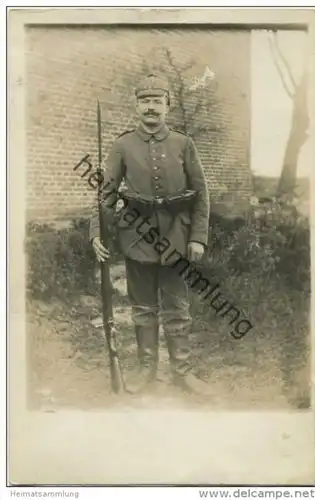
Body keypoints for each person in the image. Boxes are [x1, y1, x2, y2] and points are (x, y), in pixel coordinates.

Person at [90, 73, 212, 396]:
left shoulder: (184, 144)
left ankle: (182, 372)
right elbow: (106, 194)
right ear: (136, 107)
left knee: (177, 307)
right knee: (142, 308)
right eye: (145, 102)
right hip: (136, 239)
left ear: (167, 106)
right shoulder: (122, 145)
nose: (151, 108)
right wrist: (96, 234)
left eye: (157, 102)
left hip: (177, 238)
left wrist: (198, 236)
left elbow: (201, 193)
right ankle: (147, 371)